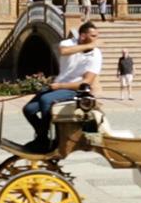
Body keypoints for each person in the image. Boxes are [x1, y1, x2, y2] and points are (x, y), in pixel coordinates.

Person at [22, 21, 103, 151]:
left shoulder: (96, 54)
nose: (96, 39)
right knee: (28, 109)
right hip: (58, 85)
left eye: (96, 36)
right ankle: (42, 135)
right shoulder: (68, 43)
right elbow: (63, 51)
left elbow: (86, 82)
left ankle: (44, 140)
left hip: (75, 89)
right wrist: (89, 45)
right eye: (93, 36)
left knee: (46, 100)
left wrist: (60, 86)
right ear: (82, 36)